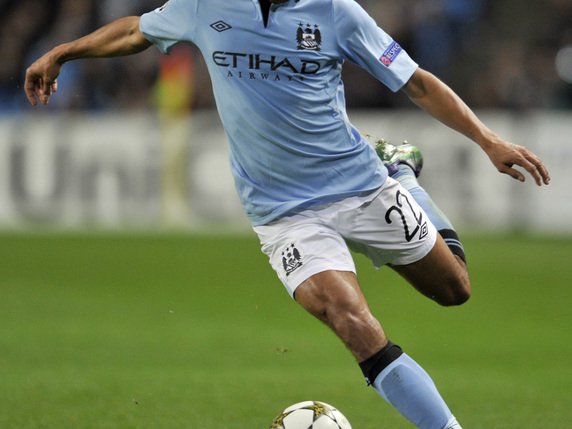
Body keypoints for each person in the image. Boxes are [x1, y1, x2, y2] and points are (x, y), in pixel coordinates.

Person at [24, 1, 551, 428]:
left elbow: (415, 82)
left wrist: (487, 139)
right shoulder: (206, 6)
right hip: (284, 215)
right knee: (353, 322)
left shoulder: (337, 13)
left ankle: (402, 176)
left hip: (363, 188)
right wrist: (63, 53)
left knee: (454, 289)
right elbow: (137, 31)